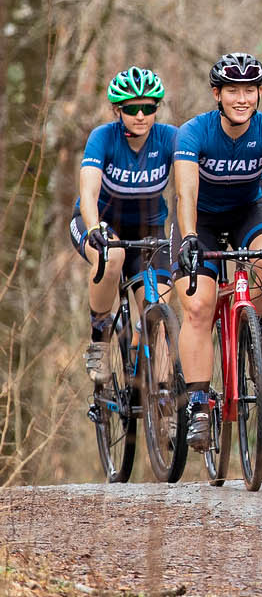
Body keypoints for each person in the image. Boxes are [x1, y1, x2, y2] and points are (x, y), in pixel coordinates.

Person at [172, 53, 262, 452]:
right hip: (203, 219)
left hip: (250, 209)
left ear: (259, 93)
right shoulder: (194, 132)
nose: (242, 98)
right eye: (233, 90)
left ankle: (260, 336)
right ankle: (198, 403)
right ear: (217, 93)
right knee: (197, 306)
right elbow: (186, 193)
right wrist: (189, 238)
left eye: (250, 90)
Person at [73, 68, 176, 383]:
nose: (141, 115)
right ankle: (99, 339)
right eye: (132, 108)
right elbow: (88, 192)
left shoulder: (170, 138)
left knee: (158, 315)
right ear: (118, 111)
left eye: (149, 107)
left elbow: (190, 185)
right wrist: (94, 229)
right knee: (111, 258)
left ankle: (165, 404)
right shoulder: (103, 138)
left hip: (149, 232)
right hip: (100, 224)